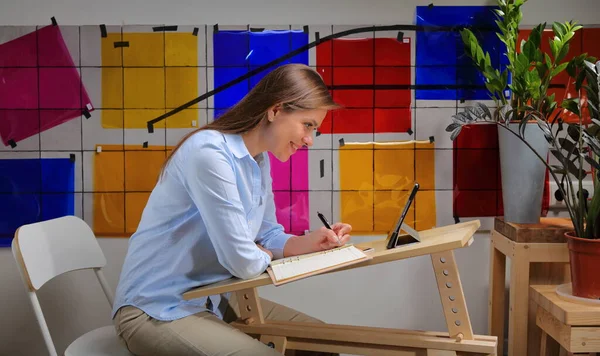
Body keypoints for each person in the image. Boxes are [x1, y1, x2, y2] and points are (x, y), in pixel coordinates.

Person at [111, 63, 353, 356]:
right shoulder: (210, 154)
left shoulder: (258, 161)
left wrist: (309, 242)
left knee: (321, 347)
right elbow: (240, 260)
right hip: (156, 308)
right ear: (275, 111)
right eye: (307, 125)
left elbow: (266, 235)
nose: (309, 140)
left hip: (213, 298)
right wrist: (256, 253)